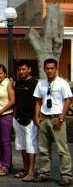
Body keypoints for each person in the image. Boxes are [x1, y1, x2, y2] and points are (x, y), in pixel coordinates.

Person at [33, 58, 72, 186]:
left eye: (52, 68)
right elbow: (38, 100)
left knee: (62, 149)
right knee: (43, 148)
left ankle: (66, 175)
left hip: (57, 118)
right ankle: (44, 172)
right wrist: (37, 116)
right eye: (47, 68)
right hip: (44, 117)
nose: (49, 71)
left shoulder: (62, 83)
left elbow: (67, 100)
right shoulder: (41, 84)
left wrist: (61, 118)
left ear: (56, 69)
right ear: (44, 69)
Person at [12, 60, 38, 182]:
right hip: (18, 119)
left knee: (31, 147)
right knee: (22, 146)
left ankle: (32, 172)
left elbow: (38, 102)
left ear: (29, 69)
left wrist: (36, 116)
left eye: (24, 69)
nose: (21, 72)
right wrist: (14, 117)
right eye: (19, 70)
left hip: (30, 120)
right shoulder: (18, 83)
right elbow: (16, 101)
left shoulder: (35, 83)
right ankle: (26, 169)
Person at [0, 64, 15, 176]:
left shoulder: (8, 84)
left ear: (5, 74)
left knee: (5, 142)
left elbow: (12, 101)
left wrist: (0, 111)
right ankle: (0, 165)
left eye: (0, 73)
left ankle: (6, 166)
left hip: (5, 115)